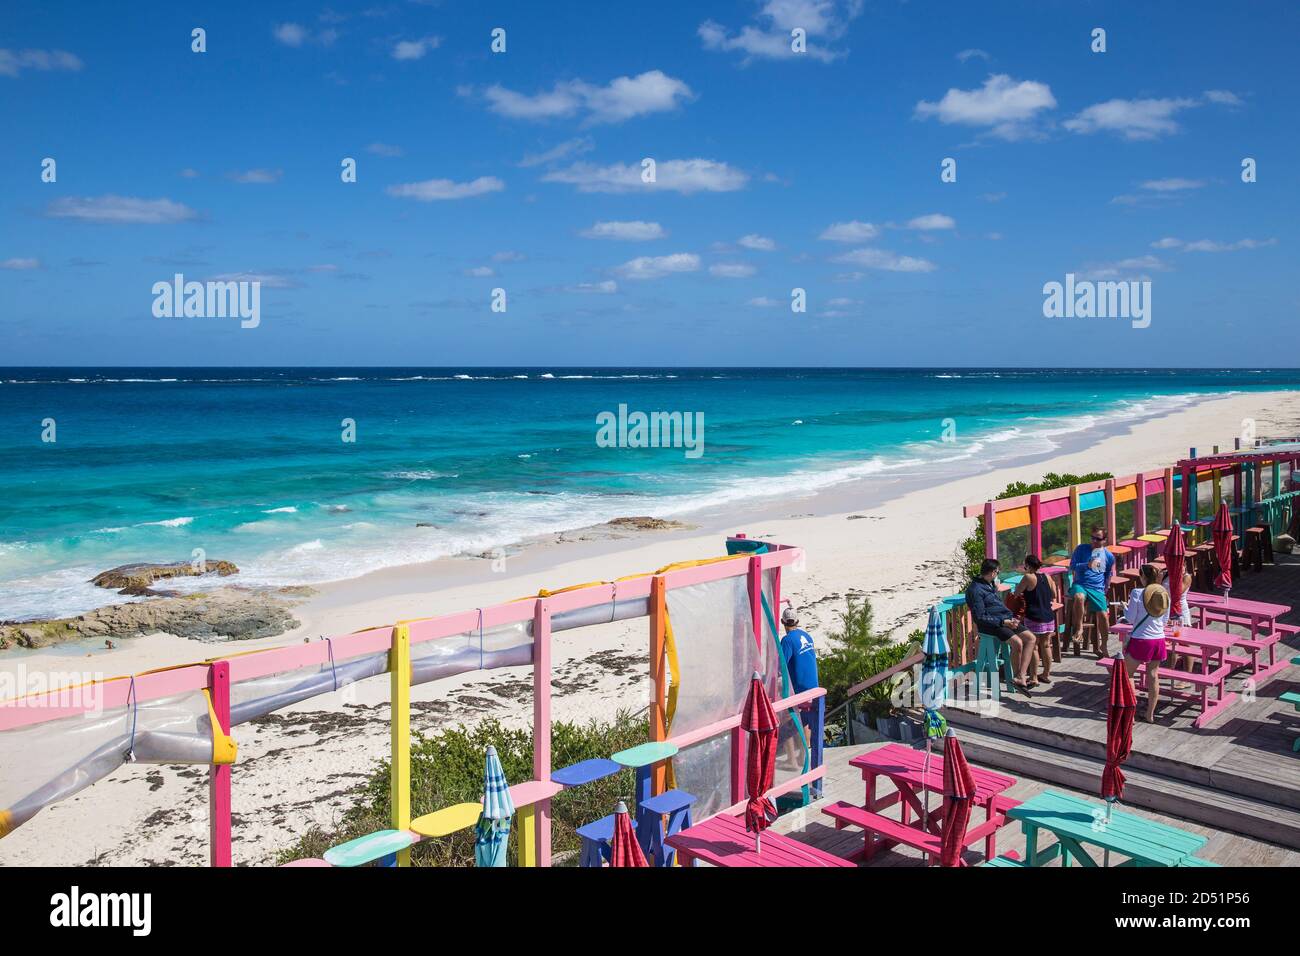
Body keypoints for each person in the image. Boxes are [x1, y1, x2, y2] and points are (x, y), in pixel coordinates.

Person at [965, 558, 1035, 694]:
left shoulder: (988, 583)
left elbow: (993, 603)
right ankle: (1017, 677)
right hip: (992, 625)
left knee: (1031, 638)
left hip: (1004, 619)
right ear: (992, 572)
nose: (997, 574)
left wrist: (1008, 619)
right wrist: (1003, 622)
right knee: (1018, 643)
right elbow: (979, 617)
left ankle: (1020, 677)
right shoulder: (975, 590)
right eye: (997, 572)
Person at [1122, 564, 1170, 723]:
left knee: (1127, 674)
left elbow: (1130, 618)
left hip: (1141, 639)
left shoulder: (1137, 593)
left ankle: (1131, 711)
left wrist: (1125, 608)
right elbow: (1164, 620)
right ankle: (1150, 713)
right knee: (1153, 676)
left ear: (1143, 577)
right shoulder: (1163, 593)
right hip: (1159, 639)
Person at [1069, 527, 1116, 657]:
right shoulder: (1081, 549)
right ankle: (1079, 628)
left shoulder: (1108, 556)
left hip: (1097, 588)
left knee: (1103, 615)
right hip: (1081, 584)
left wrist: (1105, 591)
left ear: (1104, 540)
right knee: (1079, 597)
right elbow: (1072, 566)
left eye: (1098, 539)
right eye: (1092, 537)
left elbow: (1108, 575)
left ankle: (1104, 645)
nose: (1094, 541)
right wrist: (1086, 565)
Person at [1013, 555, 1057, 686]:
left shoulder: (1028, 577)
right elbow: (1053, 594)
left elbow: (1016, 593)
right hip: (1048, 616)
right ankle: (1046, 674)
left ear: (1028, 565)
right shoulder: (1047, 577)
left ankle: (1033, 677)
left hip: (1034, 616)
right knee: (1046, 645)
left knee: (1033, 647)